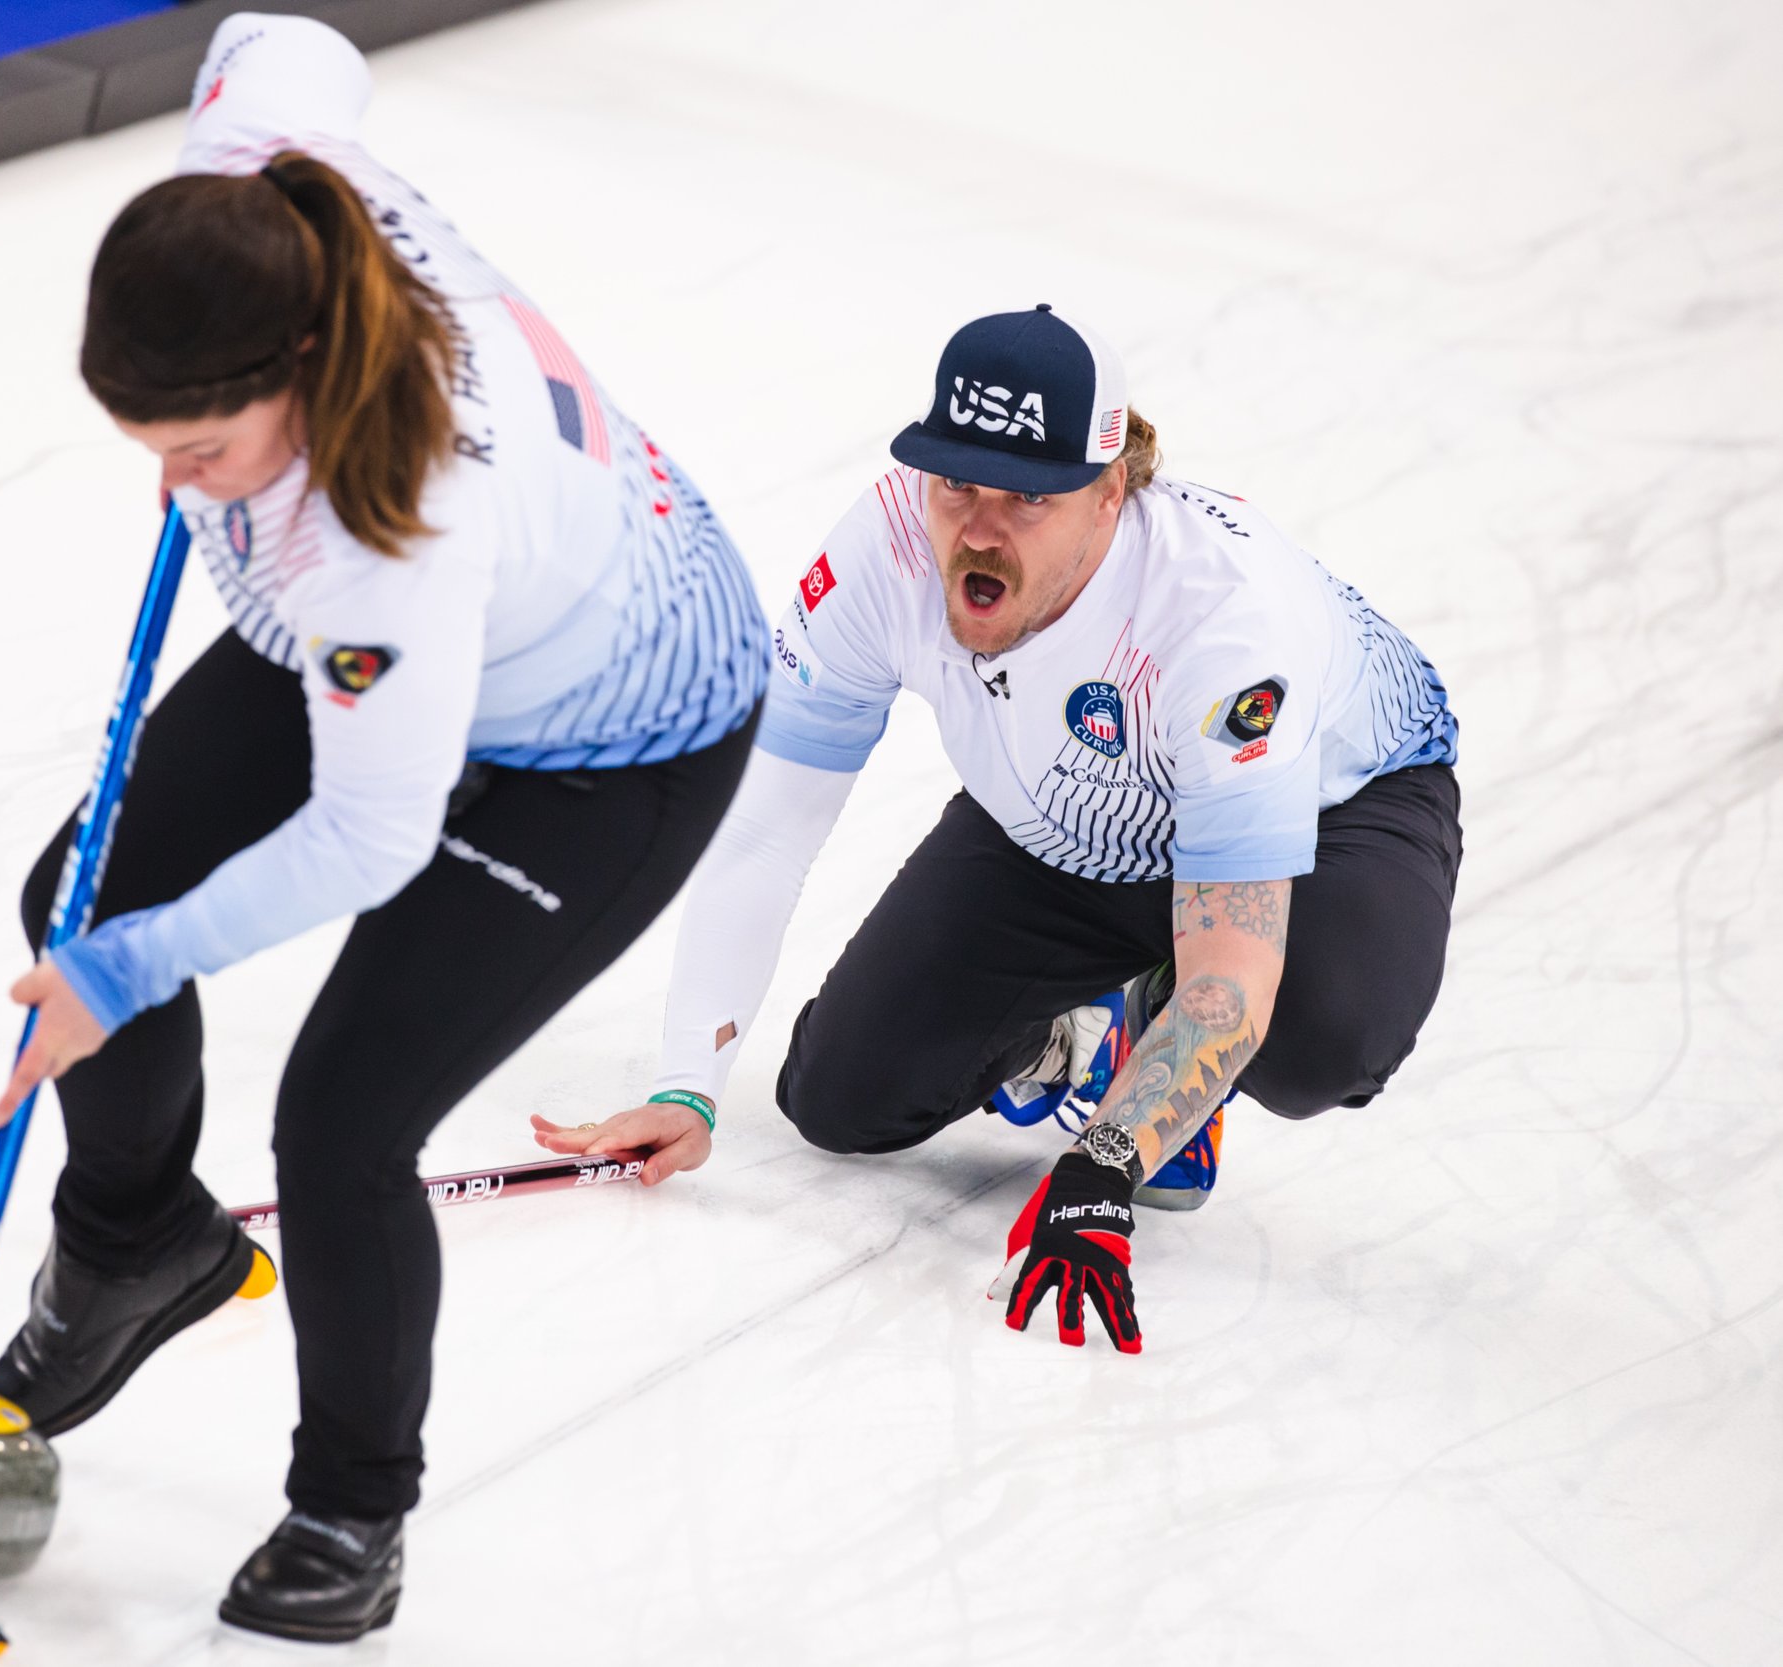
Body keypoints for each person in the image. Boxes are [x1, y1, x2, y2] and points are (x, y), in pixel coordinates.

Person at [0, 12, 766, 1643]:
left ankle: (351, 1507)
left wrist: (130, 975)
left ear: (287, 384)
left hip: (612, 735)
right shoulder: (257, 187)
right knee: (80, 891)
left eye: (197, 447)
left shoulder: (387, 527)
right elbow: (287, 39)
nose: (175, 476)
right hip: (407, 628)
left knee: (342, 1115)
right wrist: (106, 943)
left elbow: (370, 839)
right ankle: (135, 1245)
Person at [539, 303, 1461, 1354]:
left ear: (1110, 491)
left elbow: (1233, 973)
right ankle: (1079, 1032)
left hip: (1326, 815)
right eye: (956, 483)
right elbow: (762, 827)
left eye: (1027, 496)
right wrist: (684, 1086)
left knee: (1316, 1041)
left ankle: (1146, 1044)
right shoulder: (885, 545)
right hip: (1072, 811)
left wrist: (1103, 1164)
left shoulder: (1223, 624)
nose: (976, 527)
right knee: (840, 1096)